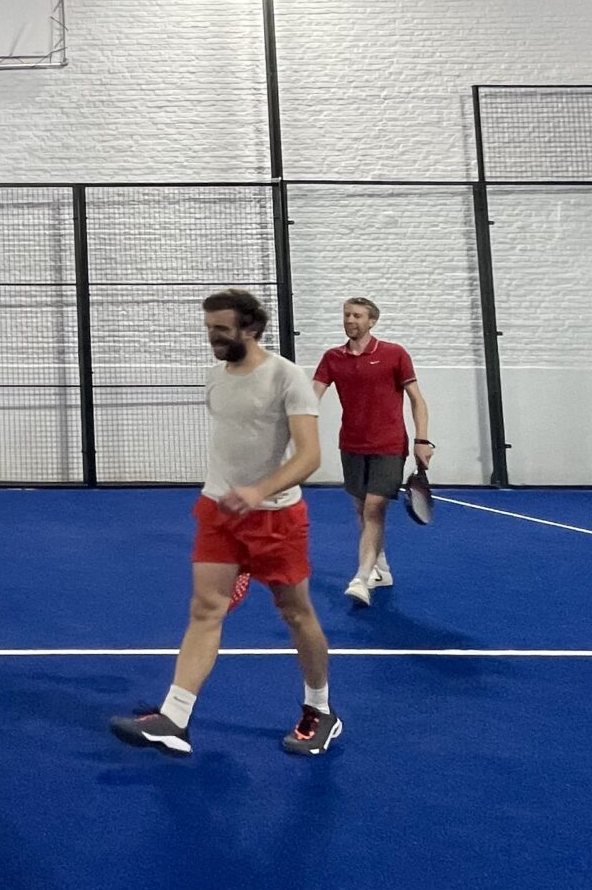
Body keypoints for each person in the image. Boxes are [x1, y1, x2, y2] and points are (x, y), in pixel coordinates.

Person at [111, 288, 341, 757]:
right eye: (209, 328)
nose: (212, 337)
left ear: (251, 328)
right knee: (205, 609)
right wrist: (231, 493)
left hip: (276, 518)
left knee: (295, 612)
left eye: (221, 329)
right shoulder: (215, 377)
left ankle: (320, 710)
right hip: (218, 511)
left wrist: (259, 491)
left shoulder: (287, 377)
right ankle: (175, 718)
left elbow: (310, 456)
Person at [313, 296, 432, 606]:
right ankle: (381, 568)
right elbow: (311, 398)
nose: (350, 320)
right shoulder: (332, 358)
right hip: (351, 444)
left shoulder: (394, 354)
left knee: (374, 508)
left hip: (389, 445)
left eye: (357, 315)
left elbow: (417, 400)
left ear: (372, 321)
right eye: (346, 315)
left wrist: (422, 440)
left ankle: (362, 578)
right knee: (361, 508)